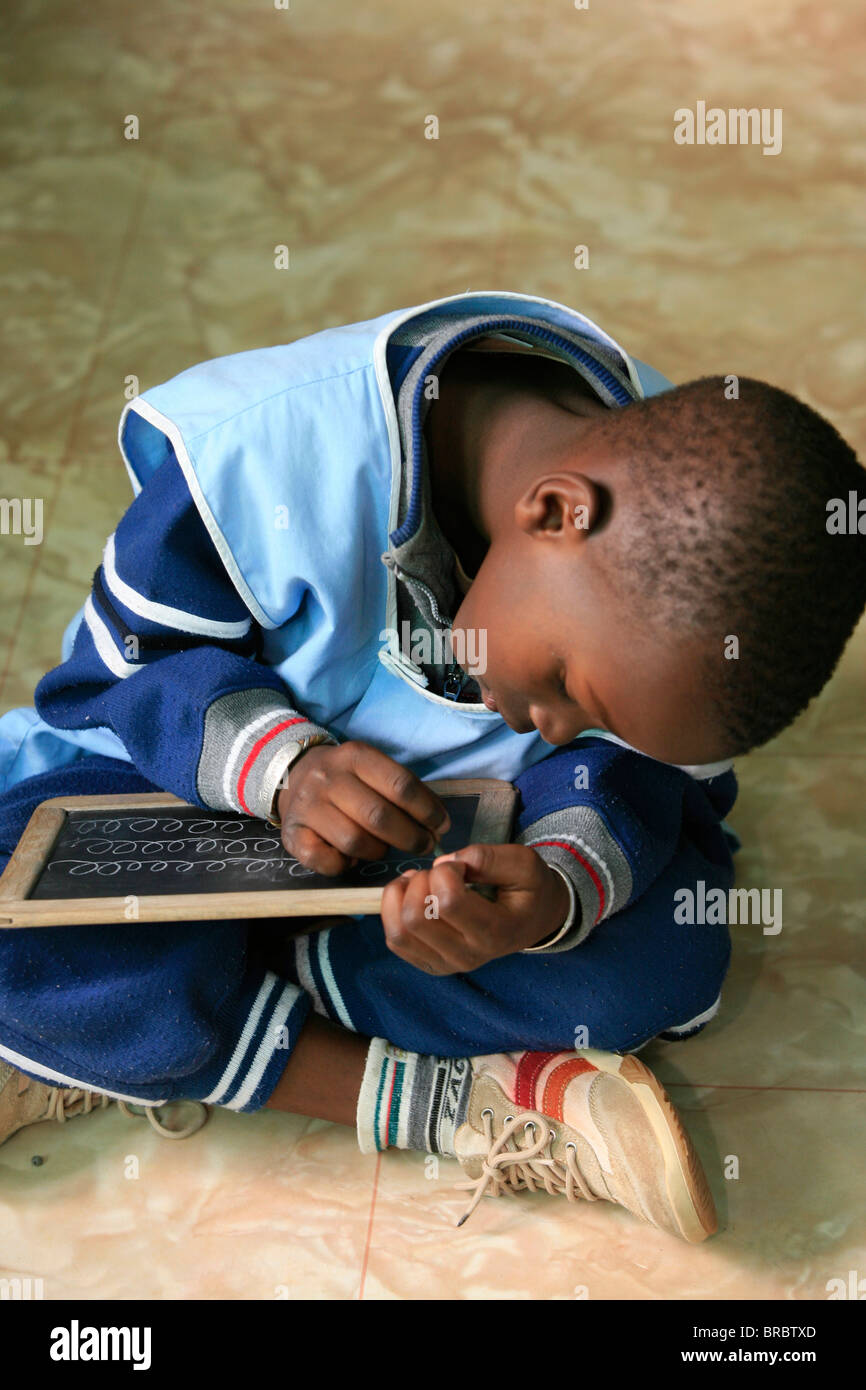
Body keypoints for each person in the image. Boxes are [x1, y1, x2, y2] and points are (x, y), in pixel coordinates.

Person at [1, 291, 864, 1243]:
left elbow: (638, 773)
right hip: (192, 805)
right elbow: (116, 677)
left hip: (453, 857)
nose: (556, 725)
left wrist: (551, 893)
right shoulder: (260, 454)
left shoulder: (685, 551)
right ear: (554, 512)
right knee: (18, 894)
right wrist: (283, 769)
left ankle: (157, 1022)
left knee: (670, 956)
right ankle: (455, 1102)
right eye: (568, 688)